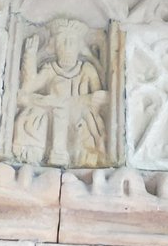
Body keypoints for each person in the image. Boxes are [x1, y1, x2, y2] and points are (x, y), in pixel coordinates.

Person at [13, 19, 108, 166]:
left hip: (79, 116)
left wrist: (92, 98)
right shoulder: (50, 69)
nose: (68, 48)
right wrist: (30, 57)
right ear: (54, 47)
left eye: (72, 42)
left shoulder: (87, 69)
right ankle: (38, 152)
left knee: (85, 125)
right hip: (52, 115)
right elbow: (28, 88)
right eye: (63, 42)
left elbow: (102, 97)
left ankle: (79, 154)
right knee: (38, 113)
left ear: (79, 47)